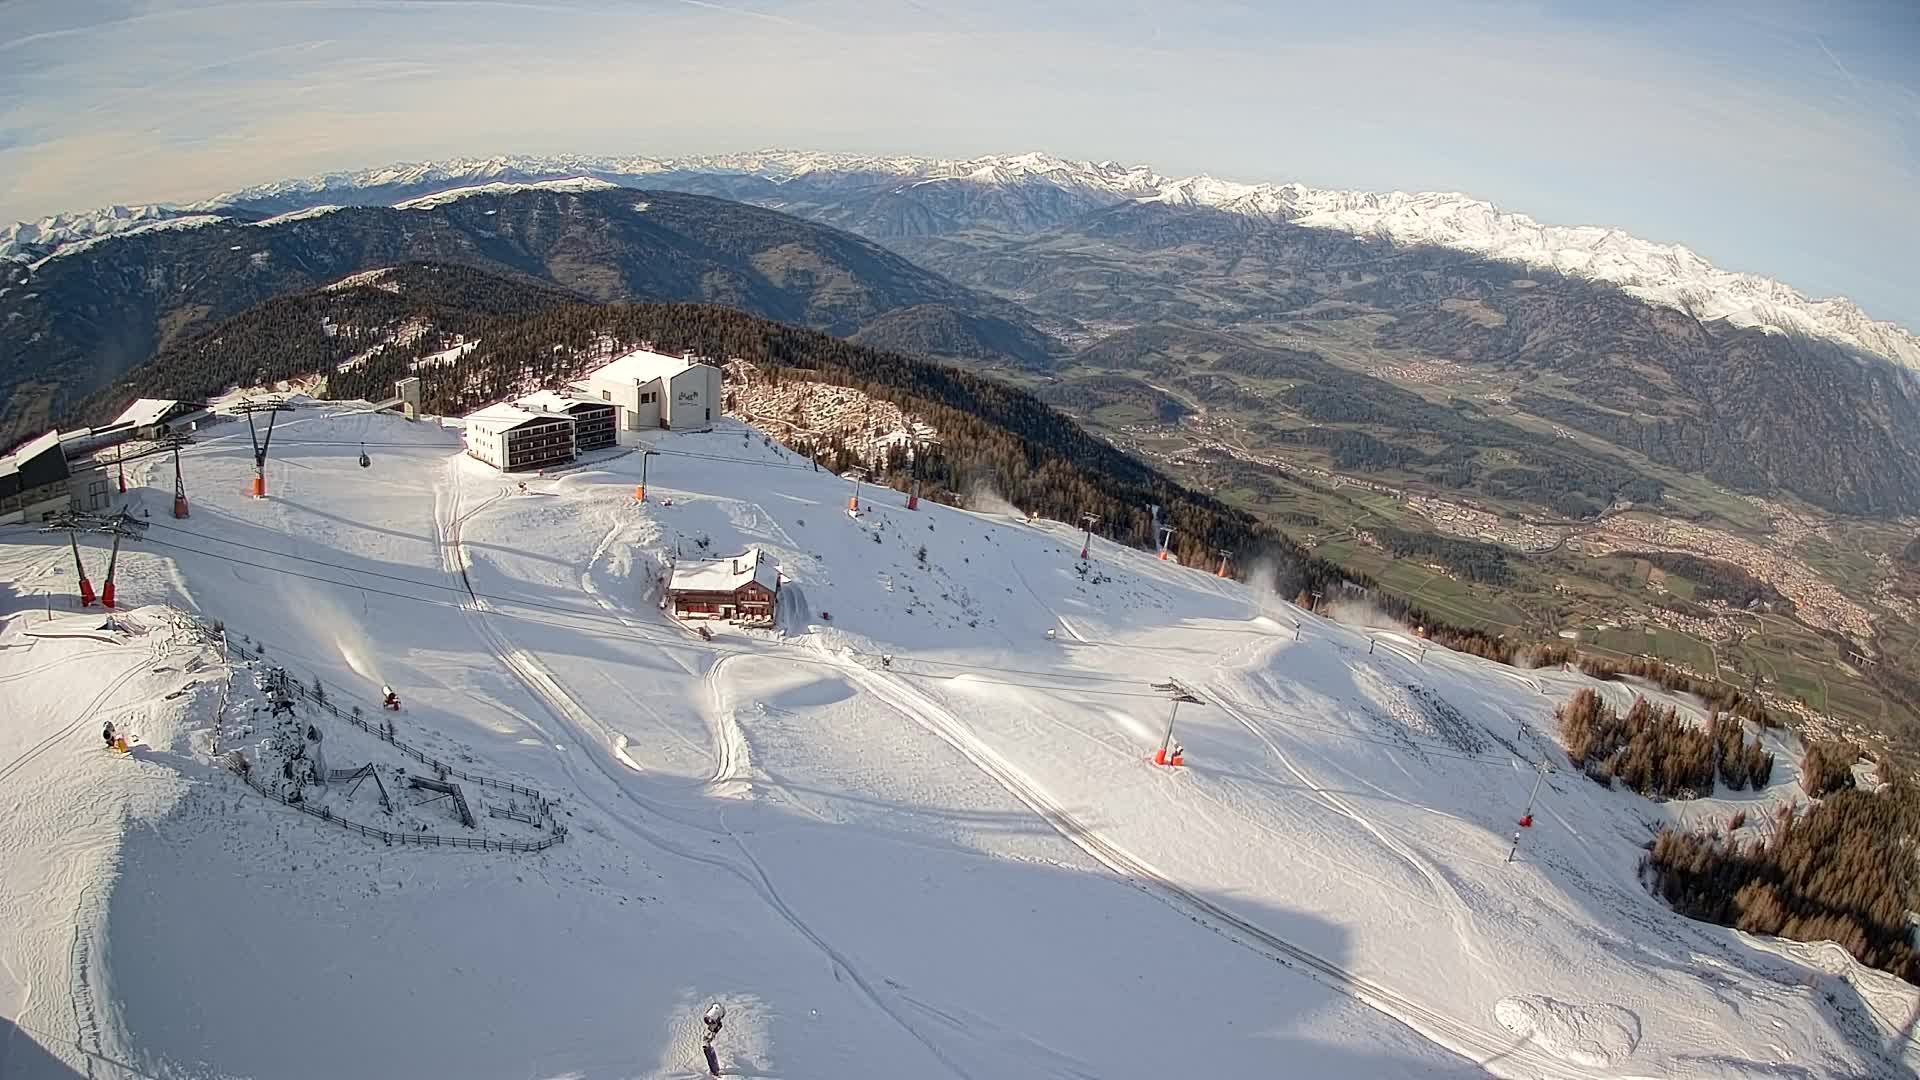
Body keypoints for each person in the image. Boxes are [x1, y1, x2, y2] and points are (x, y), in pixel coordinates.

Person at [701, 1002, 725, 1076]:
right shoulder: (711, 1025)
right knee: (708, 1050)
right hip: (708, 1044)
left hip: (712, 1044)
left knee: (711, 1051)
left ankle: (716, 1071)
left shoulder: (717, 1026)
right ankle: (714, 1071)